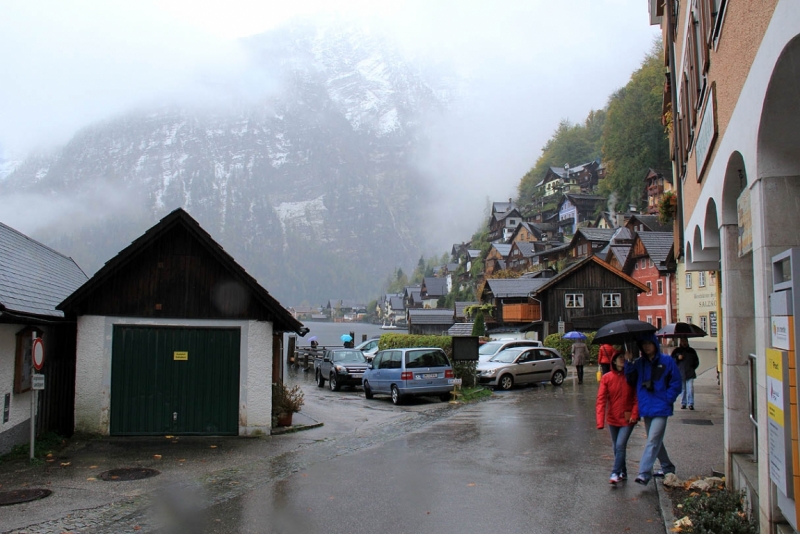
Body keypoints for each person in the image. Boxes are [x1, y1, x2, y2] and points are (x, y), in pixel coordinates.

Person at [624, 332, 682, 486]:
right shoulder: (640, 363)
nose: (646, 347)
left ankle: (644, 473)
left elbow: (676, 382)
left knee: (653, 439)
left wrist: (667, 398)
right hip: (647, 407)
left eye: (649, 343)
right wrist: (628, 363)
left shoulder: (667, 361)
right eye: (644, 344)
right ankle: (667, 467)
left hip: (661, 408)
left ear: (654, 344)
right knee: (655, 439)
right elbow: (631, 380)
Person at [596, 352, 639, 484]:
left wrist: (634, 414)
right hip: (613, 418)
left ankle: (615, 472)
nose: (622, 360)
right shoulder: (607, 378)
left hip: (627, 418)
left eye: (624, 357)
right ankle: (623, 471)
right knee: (616, 447)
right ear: (613, 361)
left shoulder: (631, 376)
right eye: (619, 358)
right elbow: (601, 399)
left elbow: (637, 397)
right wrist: (600, 421)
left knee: (620, 445)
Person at [671, 337, 700, 410]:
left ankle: (691, 403)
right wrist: (677, 358)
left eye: (685, 341)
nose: (684, 343)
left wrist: (692, 368)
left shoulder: (691, 351)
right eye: (682, 341)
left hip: (690, 373)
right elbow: (671, 361)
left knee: (690, 389)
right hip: (680, 373)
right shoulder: (677, 351)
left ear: (687, 342)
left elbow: (696, 361)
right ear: (680, 342)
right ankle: (683, 403)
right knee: (683, 390)